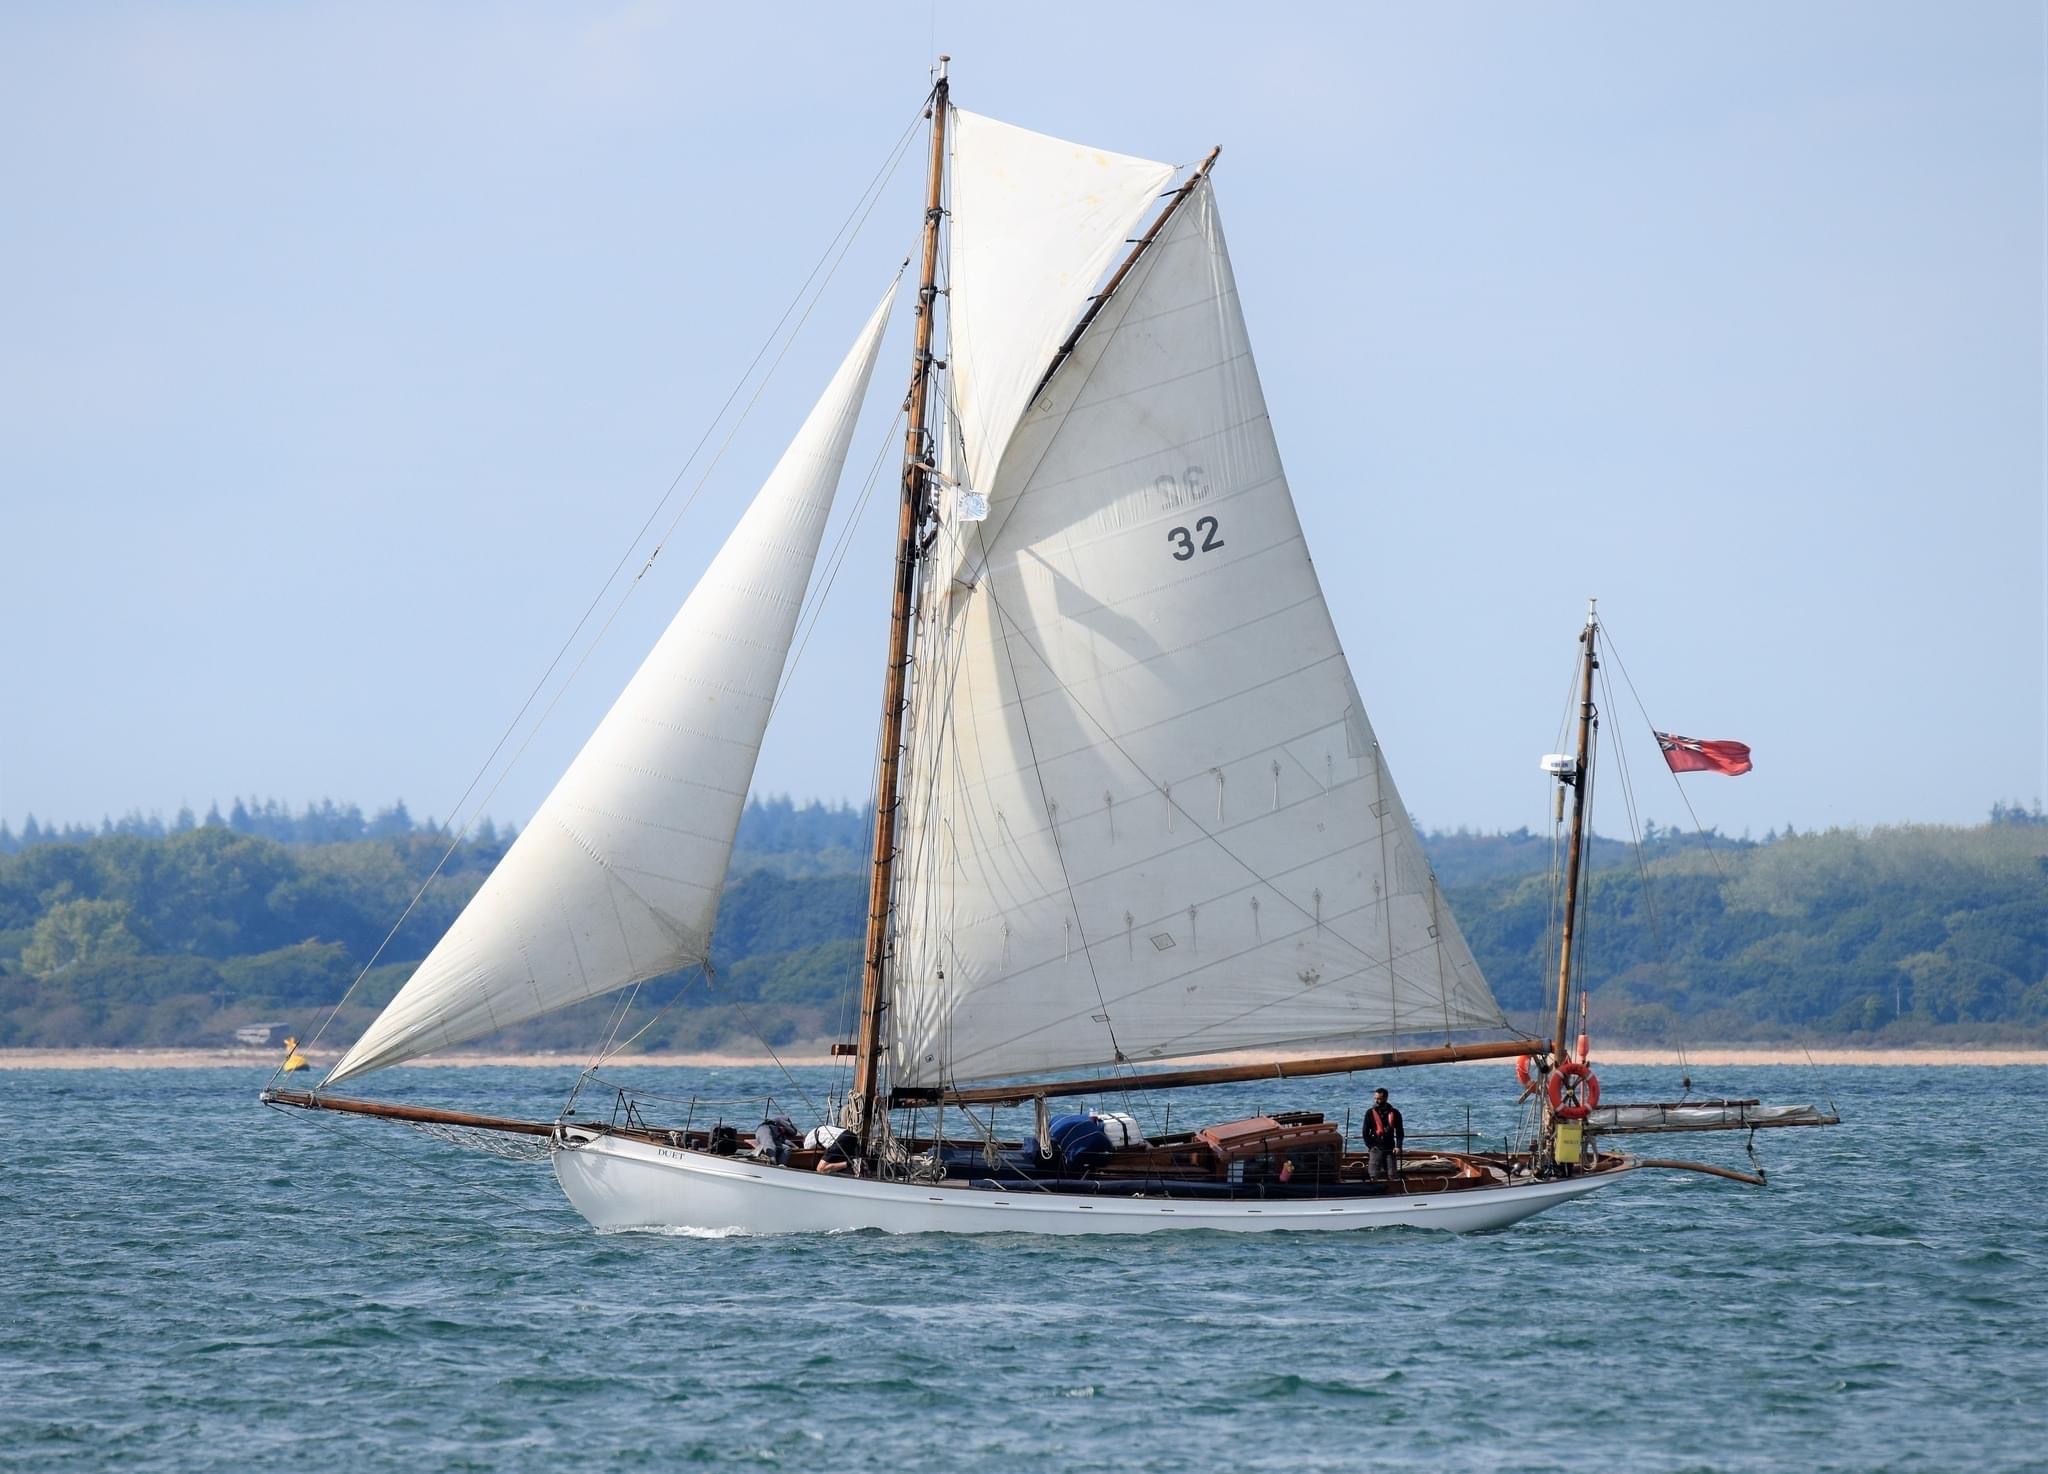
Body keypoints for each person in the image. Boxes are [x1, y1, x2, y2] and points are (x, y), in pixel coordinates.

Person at [1362, 1087, 1405, 1182]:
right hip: (1376, 1146)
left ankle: (1393, 1191)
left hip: (1390, 1147)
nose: (1376, 1101)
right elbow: (1365, 1132)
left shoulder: (1395, 1113)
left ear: (1386, 1098)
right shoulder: (1370, 1113)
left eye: (1379, 1099)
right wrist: (1370, 1146)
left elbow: (1400, 1132)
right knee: (1373, 1174)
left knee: (1392, 1174)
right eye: (1375, 1098)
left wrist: (1398, 1146)